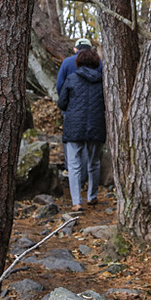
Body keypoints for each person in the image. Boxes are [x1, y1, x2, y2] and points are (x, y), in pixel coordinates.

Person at [57, 47, 106, 211]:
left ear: (78, 62)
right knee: (94, 163)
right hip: (96, 125)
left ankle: (76, 202)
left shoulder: (71, 79)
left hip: (74, 127)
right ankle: (92, 196)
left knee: (74, 165)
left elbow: (62, 103)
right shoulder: (103, 81)